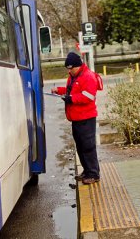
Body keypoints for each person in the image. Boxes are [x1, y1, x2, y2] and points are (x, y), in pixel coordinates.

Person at [51, 52, 100, 185]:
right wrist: (59, 90)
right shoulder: (73, 76)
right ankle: (86, 170)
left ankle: (93, 174)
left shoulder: (88, 76)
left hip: (86, 117)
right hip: (76, 118)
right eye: (68, 68)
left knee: (88, 146)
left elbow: (88, 96)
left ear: (78, 66)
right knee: (80, 146)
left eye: (71, 68)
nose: (69, 71)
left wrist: (71, 99)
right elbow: (71, 91)